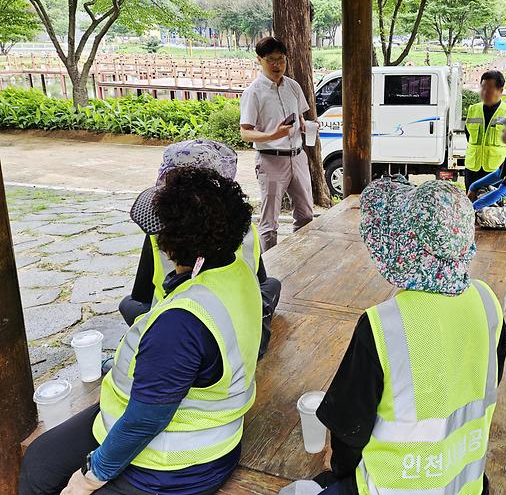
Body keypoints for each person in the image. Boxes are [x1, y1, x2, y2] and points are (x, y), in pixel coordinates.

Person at [19, 167, 263, 495]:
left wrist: (87, 478)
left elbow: (144, 422)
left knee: (53, 478)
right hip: (201, 427)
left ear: (172, 244)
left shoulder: (181, 324)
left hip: (173, 465)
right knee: (40, 461)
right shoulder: (236, 269)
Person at [306, 177, 506, 495]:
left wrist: (341, 472)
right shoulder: (488, 303)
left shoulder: (384, 325)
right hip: (467, 484)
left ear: (403, 248)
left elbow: (350, 432)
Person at [118, 139, 280, 359]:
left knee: (128, 304)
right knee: (271, 285)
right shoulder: (246, 230)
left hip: (184, 334)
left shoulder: (162, 233)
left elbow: (141, 295)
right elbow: (259, 283)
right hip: (246, 337)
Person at [239, 36, 314, 251]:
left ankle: (301, 257)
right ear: (259, 60)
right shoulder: (253, 92)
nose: (277, 65)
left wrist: (306, 126)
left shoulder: (293, 86)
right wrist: (273, 135)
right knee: (269, 221)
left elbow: (299, 117)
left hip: (298, 157)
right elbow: (245, 133)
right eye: (270, 59)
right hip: (270, 160)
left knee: (306, 215)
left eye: (281, 59)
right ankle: (270, 268)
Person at [464, 71, 506, 191]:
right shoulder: (473, 109)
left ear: (500, 90)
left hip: (496, 171)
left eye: (490, 90)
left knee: (494, 206)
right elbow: (468, 135)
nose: (485, 93)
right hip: (473, 168)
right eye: (483, 88)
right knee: (470, 205)